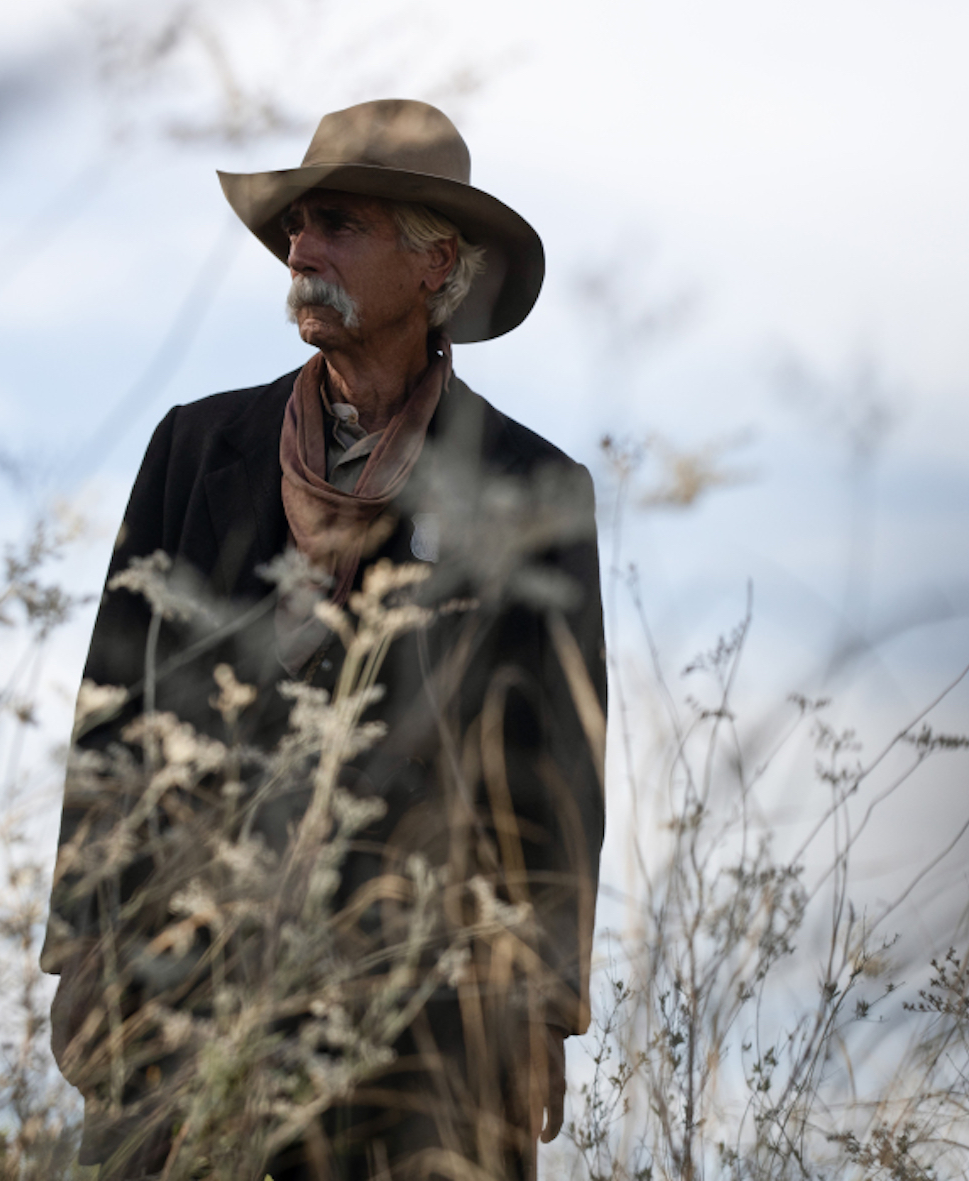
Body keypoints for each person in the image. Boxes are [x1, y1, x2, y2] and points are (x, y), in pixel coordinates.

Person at [39, 100, 607, 1180]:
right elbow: (111, 709)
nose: (300, 247)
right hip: (181, 985)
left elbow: (558, 772)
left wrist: (543, 1005)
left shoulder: (531, 488)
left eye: (337, 222)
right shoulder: (196, 447)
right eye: (296, 225)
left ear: (435, 262)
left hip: (419, 1010)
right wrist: (82, 948)